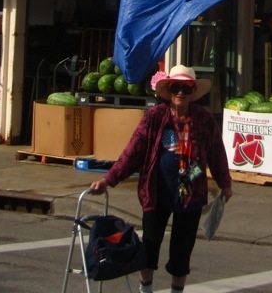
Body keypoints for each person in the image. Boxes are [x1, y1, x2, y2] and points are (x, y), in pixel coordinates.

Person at [89, 64, 232, 293]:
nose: (181, 94)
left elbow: (217, 152)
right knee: (150, 245)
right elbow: (133, 151)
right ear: (169, 90)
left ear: (193, 92)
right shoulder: (155, 117)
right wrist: (109, 179)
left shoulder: (203, 119)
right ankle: (146, 289)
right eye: (176, 88)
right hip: (157, 191)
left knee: (182, 249)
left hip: (191, 194)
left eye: (186, 89)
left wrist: (225, 183)